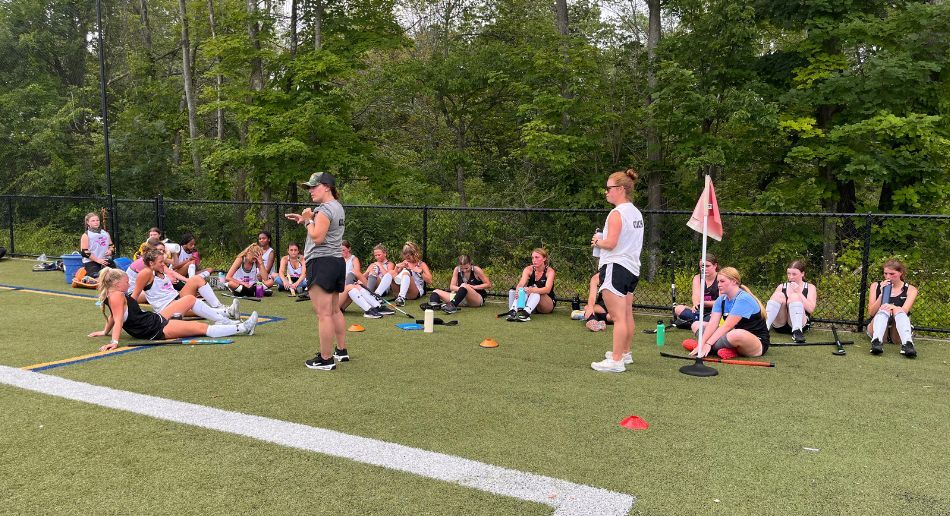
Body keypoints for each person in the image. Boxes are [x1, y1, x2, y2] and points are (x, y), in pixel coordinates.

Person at [89, 268, 258, 352]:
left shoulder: (113, 294)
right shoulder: (116, 296)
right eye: (127, 282)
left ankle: (224, 320)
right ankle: (243, 328)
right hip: (153, 329)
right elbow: (118, 319)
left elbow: (113, 316)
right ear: (117, 283)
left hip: (153, 319)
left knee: (189, 299)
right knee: (201, 328)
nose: (129, 284)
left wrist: (105, 331)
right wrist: (114, 341)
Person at [285, 172, 349, 371]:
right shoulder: (336, 207)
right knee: (334, 310)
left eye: (314, 186)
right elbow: (323, 226)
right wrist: (306, 218)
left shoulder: (324, 210)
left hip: (321, 263)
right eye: (310, 187)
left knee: (324, 314)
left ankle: (326, 359)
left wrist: (307, 221)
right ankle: (341, 351)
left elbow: (318, 237)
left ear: (327, 187)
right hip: (336, 262)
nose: (311, 191)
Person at [589, 169, 644, 373]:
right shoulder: (636, 212)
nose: (606, 192)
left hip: (616, 266)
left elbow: (611, 243)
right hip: (632, 268)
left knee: (618, 317)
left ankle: (616, 360)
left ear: (620, 189)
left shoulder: (616, 213)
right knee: (627, 314)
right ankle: (625, 353)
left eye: (609, 188)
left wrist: (597, 241)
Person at [133, 249, 240, 324]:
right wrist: (133, 315)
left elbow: (173, 271)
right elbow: (135, 295)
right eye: (161, 262)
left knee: (196, 279)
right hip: (167, 308)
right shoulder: (146, 273)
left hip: (177, 298)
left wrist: (187, 281)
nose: (163, 264)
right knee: (194, 304)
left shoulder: (159, 269)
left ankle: (220, 308)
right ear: (151, 263)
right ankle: (227, 313)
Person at [687, 267, 770, 359]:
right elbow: (712, 324)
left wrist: (708, 343)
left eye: (722, 281)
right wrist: (702, 343)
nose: (719, 285)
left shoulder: (743, 299)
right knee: (696, 325)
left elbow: (727, 326)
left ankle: (707, 348)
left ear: (734, 281)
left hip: (756, 341)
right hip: (732, 335)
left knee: (736, 334)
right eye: (718, 282)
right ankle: (715, 348)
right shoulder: (721, 300)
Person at [866, 259, 918, 358]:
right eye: (885, 273)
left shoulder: (911, 289)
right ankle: (876, 342)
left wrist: (893, 307)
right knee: (884, 308)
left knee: (897, 310)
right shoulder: (876, 286)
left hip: (897, 331)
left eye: (892, 274)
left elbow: (904, 311)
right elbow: (872, 312)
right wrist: (882, 295)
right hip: (877, 326)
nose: (888, 277)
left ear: (900, 273)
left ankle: (907, 344)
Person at [765, 260, 818, 343]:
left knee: (794, 296)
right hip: (780, 325)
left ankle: (797, 332)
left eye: (794, 274)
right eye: (788, 274)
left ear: (802, 274)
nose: (790, 277)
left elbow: (810, 309)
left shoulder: (810, 287)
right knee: (778, 295)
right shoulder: (782, 286)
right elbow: (771, 307)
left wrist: (798, 292)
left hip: (800, 325)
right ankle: (764, 328)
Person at [339, 240, 394, 318]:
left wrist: (379, 266)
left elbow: (388, 276)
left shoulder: (389, 264)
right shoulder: (337, 261)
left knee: (355, 284)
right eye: (375, 255)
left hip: (381, 287)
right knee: (354, 285)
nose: (377, 257)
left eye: (379, 255)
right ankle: (372, 305)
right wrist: (368, 271)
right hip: (338, 297)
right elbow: (362, 275)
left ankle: (376, 306)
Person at [426, 254, 492, 314]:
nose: (464, 270)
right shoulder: (457, 269)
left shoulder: (476, 270)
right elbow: (452, 287)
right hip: (460, 298)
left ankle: (452, 306)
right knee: (436, 291)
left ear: (470, 264)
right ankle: (435, 305)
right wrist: (463, 289)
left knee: (464, 285)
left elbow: (488, 284)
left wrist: (473, 287)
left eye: (466, 268)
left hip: (476, 300)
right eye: (462, 268)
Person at [503, 248, 556, 322]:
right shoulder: (528, 269)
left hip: (546, 304)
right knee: (522, 289)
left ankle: (526, 313)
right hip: (532, 302)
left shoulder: (550, 271)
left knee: (534, 290)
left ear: (544, 258)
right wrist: (518, 290)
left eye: (537, 257)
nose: (534, 260)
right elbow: (521, 284)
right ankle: (513, 310)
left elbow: (547, 289)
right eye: (532, 258)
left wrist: (532, 289)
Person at [672, 254, 720, 330]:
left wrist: (703, 303)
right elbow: (695, 296)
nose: (704, 269)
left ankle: (691, 324)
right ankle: (698, 323)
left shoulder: (721, 278)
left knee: (714, 318)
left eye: (707, 266)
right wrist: (695, 305)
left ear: (715, 266)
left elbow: (720, 303)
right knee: (678, 309)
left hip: (716, 311)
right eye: (702, 266)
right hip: (700, 310)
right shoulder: (697, 278)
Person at [387, 241, 432, 306]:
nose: (407, 256)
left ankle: (401, 298)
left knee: (406, 272)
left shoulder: (421, 264)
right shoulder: (404, 262)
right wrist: (397, 267)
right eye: (405, 254)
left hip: (413, 293)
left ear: (416, 254)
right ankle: (378, 294)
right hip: (398, 291)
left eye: (410, 254)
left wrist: (420, 272)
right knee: (391, 272)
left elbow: (430, 281)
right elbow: (395, 276)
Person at [80, 212, 116, 281]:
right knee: (98, 279)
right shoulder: (86, 235)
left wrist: (110, 251)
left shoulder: (105, 233)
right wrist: (98, 260)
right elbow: (84, 252)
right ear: (88, 222)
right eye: (93, 221)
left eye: (97, 220)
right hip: (92, 262)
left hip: (106, 260)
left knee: (116, 278)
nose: (96, 222)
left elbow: (112, 246)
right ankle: (86, 277)